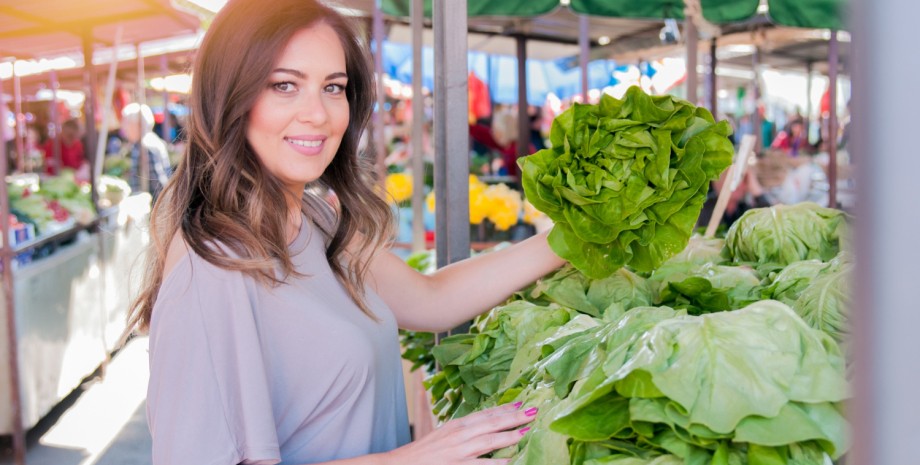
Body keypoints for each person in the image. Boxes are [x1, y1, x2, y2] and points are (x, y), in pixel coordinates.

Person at [124, 0, 566, 464]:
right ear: (229, 95)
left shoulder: (314, 219)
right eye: (284, 85)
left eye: (333, 87)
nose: (317, 113)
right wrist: (415, 458)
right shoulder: (212, 264)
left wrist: (572, 238)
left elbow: (433, 299)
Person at [120, 103, 173, 200]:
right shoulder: (147, 142)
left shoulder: (146, 146)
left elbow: (158, 184)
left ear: (138, 125)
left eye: (127, 123)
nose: (124, 128)